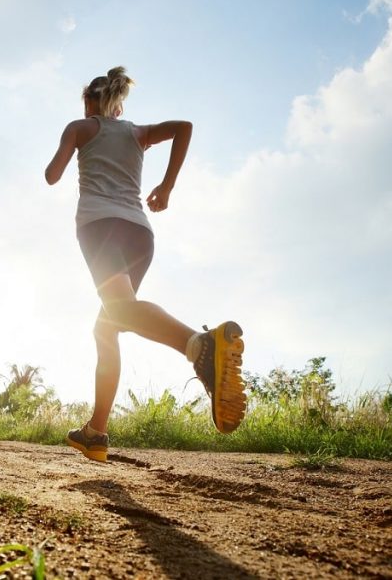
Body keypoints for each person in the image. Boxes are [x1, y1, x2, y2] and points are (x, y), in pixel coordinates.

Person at [44, 66, 246, 463]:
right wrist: (166, 187)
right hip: (139, 233)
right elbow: (184, 128)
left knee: (120, 311)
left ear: (89, 104)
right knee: (108, 325)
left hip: (100, 227)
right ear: (118, 106)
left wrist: (72, 144)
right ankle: (96, 432)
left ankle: (199, 345)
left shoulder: (80, 127)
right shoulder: (137, 133)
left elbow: (52, 175)